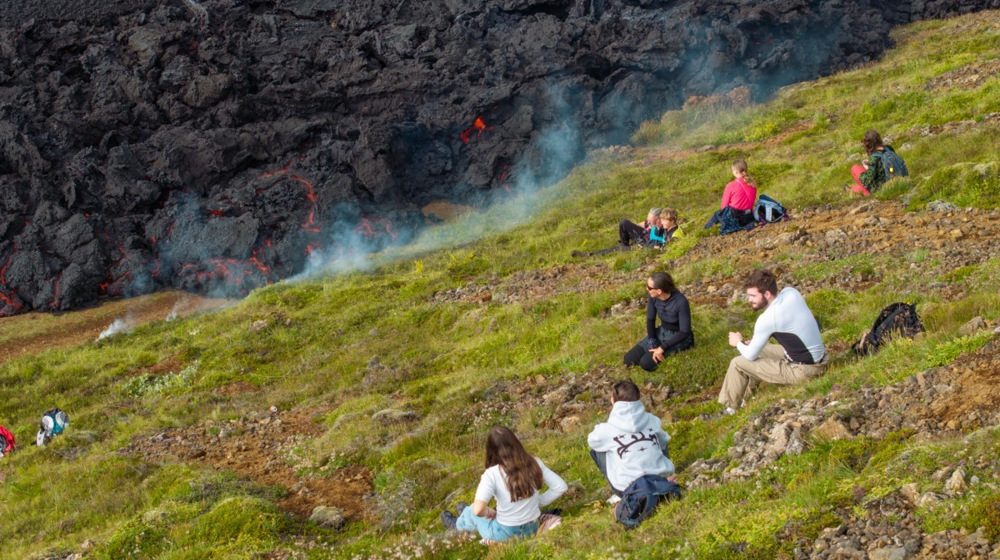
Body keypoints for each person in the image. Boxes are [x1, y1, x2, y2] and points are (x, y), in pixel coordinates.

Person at [718, 269, 826, 414]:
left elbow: (750, 356)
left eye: (752, 296)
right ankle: (745, 399)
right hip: (818, 358)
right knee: (756, 349)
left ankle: (730, 408)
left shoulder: (768, 319)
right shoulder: (791, 292)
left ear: (767, 294)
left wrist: (738, 342)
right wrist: (749, 344)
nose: (749, 300)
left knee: (738, 363)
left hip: (805, 371)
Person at [441, 426, 567, 542]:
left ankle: (458, 526)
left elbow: (478, 510)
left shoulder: (492, 474)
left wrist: (489, 512)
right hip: (532, 527)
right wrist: (538, 502)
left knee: (472, 510)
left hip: (505, 533)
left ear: (491, 450)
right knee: (472, 510)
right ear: (515, 443)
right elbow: (561, 487)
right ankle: (464, 514)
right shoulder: (534, 462)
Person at [587, 380, 675, 501]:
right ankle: (665, 473)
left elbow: (592, 441)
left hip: (629, 488)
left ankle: (619, 494)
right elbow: (664, 442)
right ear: (638, 397)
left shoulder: (606, 429)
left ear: (613, 400)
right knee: (661, 438)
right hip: (658, 480)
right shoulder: (652, 420)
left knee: (597, 450)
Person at [624, 272, 693, 372]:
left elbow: (684, 331)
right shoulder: (653, 297)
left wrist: (662, 348)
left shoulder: (681, 302)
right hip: (662, 332)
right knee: (629, 359)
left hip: (679, 337)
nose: (647, 289)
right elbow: (650, 320)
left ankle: (680, 350)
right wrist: (652, 342)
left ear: (659, 291)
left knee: (645, 364)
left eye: (649, 287)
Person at [572, 208, 668, 257]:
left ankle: (590, 255)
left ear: (659, 218)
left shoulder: (663, 228)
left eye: (652, 221)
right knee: (624, 223)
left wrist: (645, 246)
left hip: (646, 244)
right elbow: (640, 225)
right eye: (649, 219)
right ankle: (623, 245)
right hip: (642, 237)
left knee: (617, 249)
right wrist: (635, 231)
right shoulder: (650, 223)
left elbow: (659, 244)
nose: (650, 222)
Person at [849, 129, 908, 196]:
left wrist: (866, 167)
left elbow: (867, 180)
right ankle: (853, 189)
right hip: (896, 177)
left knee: (855, 168)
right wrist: (870, 164)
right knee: (855, 187)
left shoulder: (874, 158)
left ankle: (866, 193)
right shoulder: (888, 148)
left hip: (883, 187)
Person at [704, 159, 757, 232]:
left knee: (717, 214)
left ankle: (705, 231)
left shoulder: (731, 185)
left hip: (737, 218)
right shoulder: (753, 184)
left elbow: (724, 207)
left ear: (735, 172)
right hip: (749, 217)